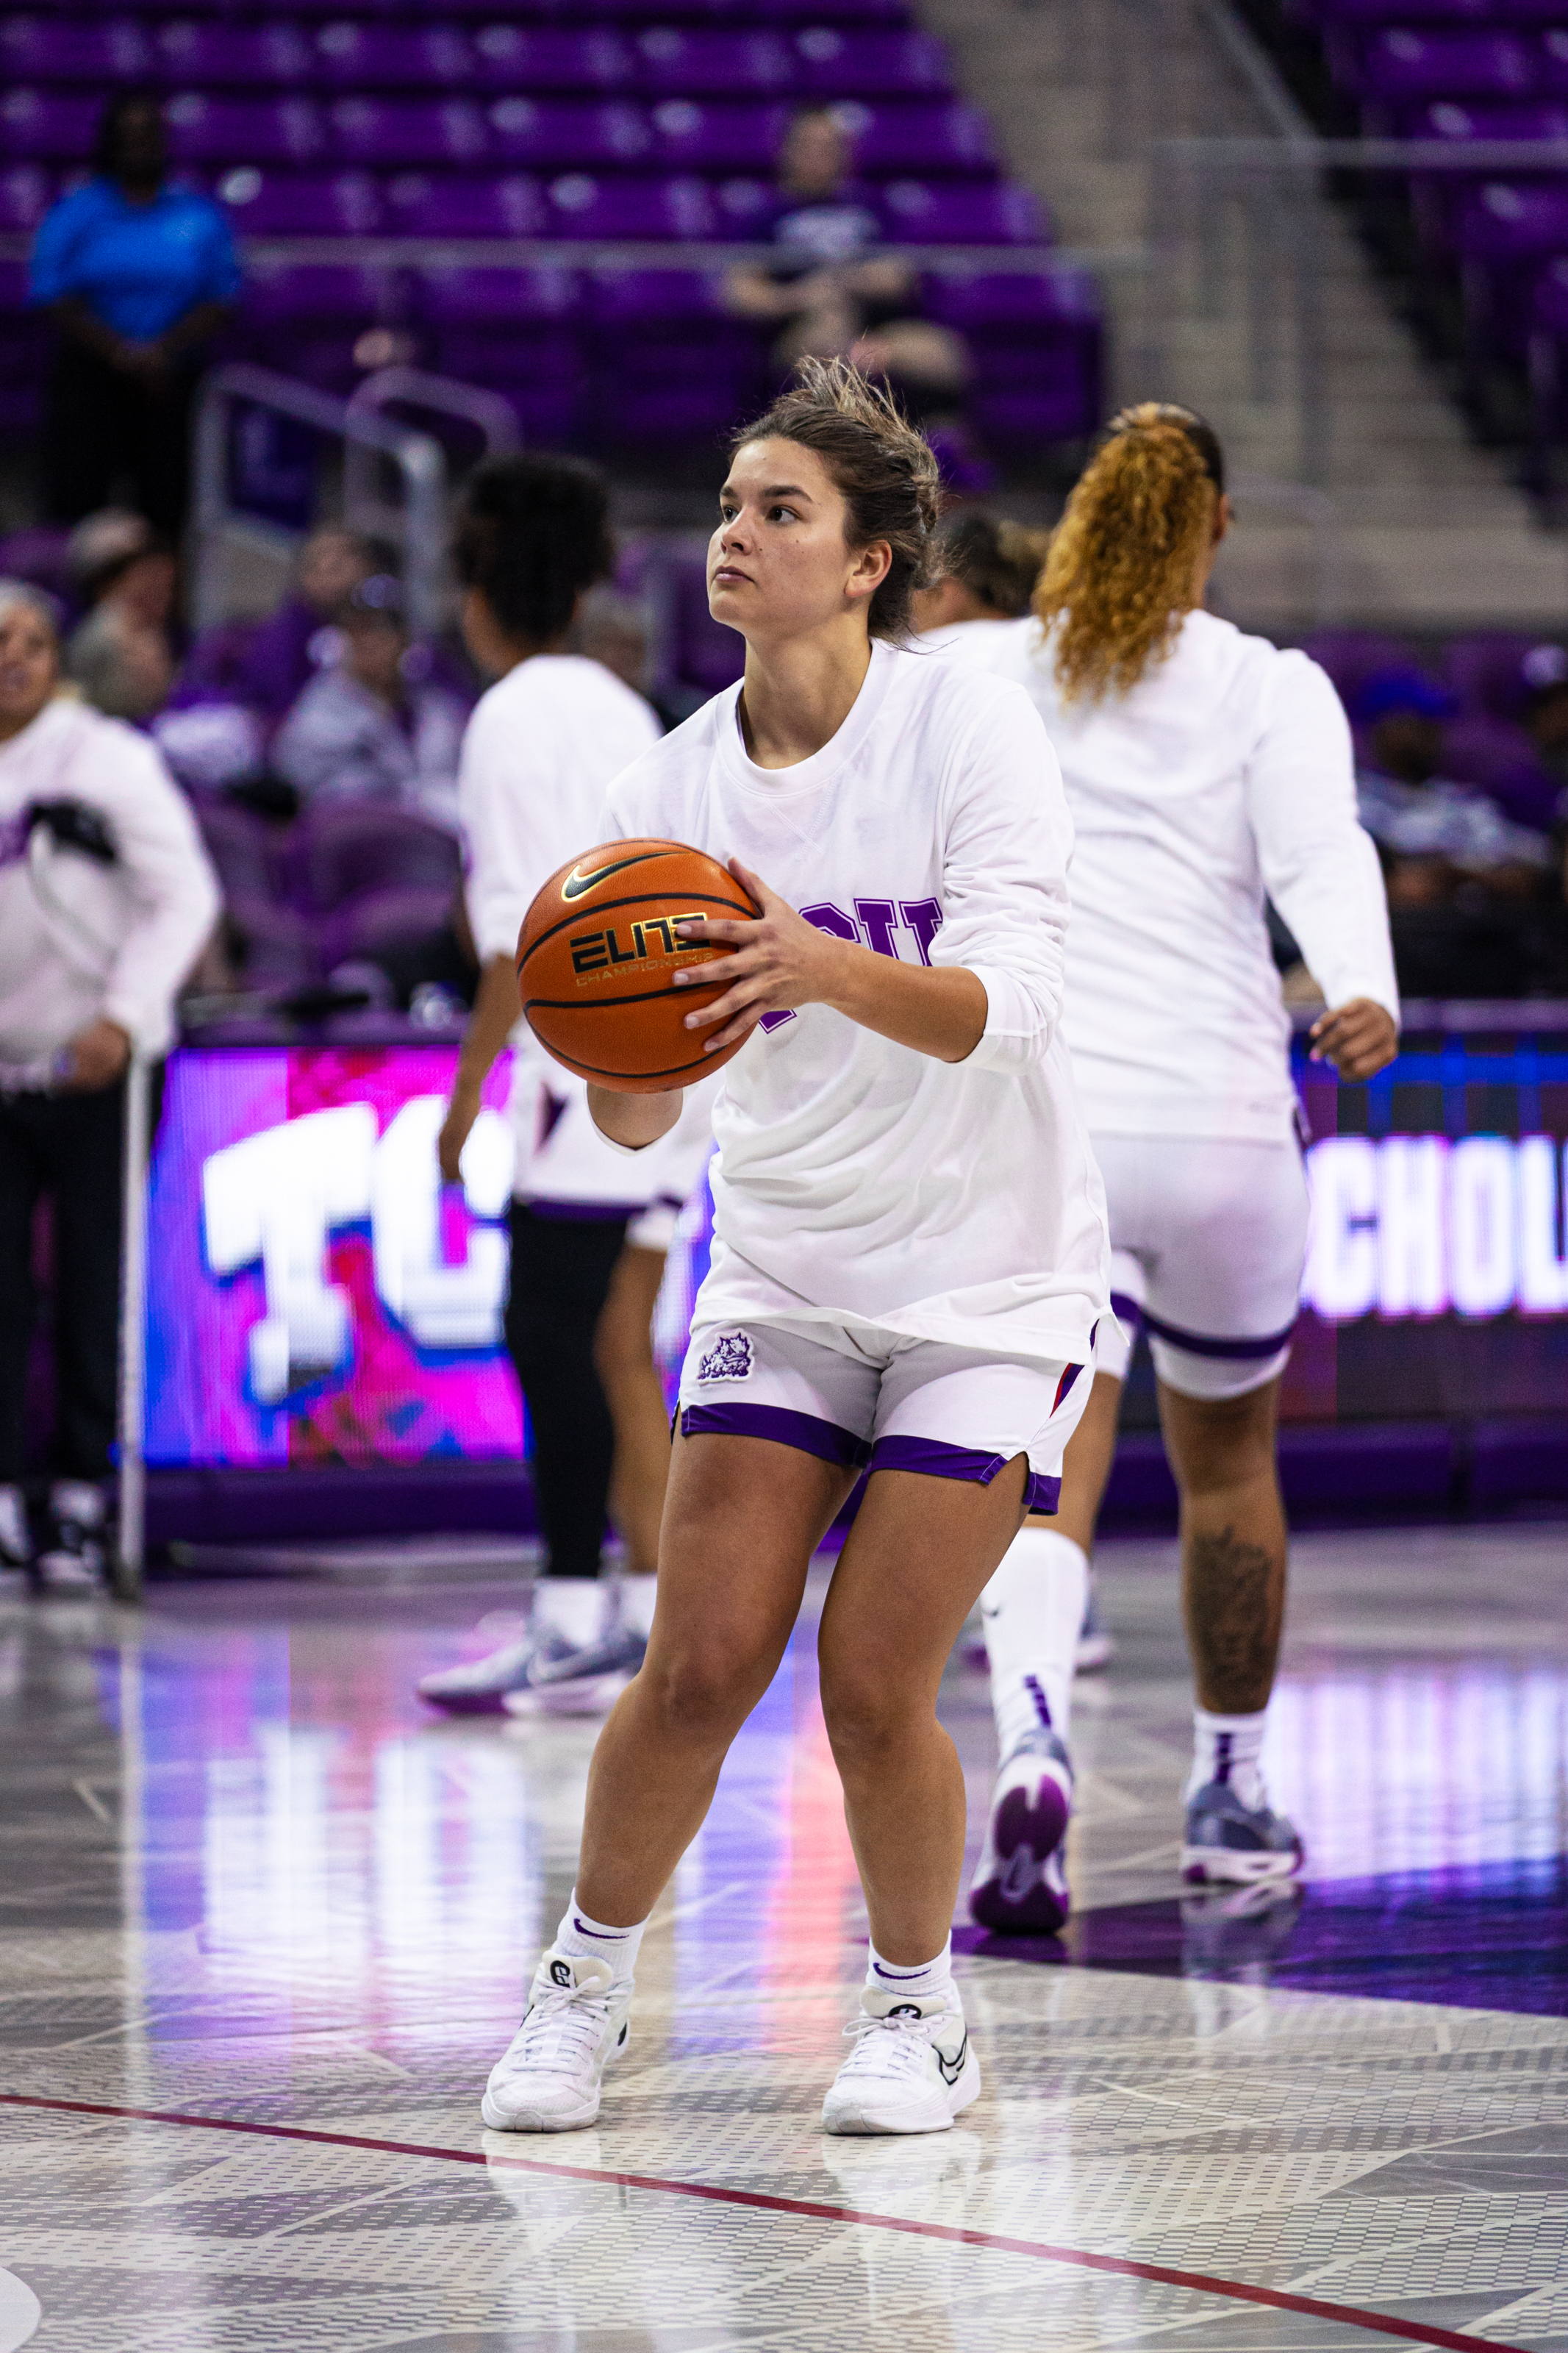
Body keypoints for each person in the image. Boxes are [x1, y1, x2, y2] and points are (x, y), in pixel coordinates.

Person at [478, 359, 1109, 2140]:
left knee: (868, 1674)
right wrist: (604, 1059)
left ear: (869, 563)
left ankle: (917, 2012)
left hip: (990, 1275)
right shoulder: (659, 791)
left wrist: (816, 960)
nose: (731, 538)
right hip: (784, 1264)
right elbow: (636, 1113)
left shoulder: (963, 730)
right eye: (727, 507)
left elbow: (1009, 1008)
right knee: (696, 1663)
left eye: (779, 512)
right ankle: (580, 1989)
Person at [962, 404, 1400, 1936]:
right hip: (1221, 1129)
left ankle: (1030, 1752)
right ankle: (1228, 1791)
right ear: (1212, 525)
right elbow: (1322, 857)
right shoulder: (1271, 685)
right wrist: (1361, 985)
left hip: (1050, 1130)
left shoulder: (984, 666)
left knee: (1038, 1480)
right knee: (1228, 1467)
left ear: (1081, 514)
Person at [418, 455, 714, 1721]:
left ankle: (565, 1618)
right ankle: (646, 1618)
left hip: (583, 1067)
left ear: (481, 587)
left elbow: (511, 945)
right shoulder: (613, 700)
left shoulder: (505, 716)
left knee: (547, 1337)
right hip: (675, 1062)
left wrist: (465, 1093)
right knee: (614, 1350)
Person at [0, 581, 220, 1585]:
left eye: (33, 640)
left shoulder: (110, 762)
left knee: (93, 1278)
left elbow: (185, 898)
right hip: (4, 1067)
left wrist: (123, 1018)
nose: (15, 656)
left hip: (100, 1064)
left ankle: (85, 1497)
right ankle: (8, 1497)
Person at [31, 93, 239, 540]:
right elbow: (52, 294)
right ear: (109, 144)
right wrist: (120, 353)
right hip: (91, 376)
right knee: (76, 503)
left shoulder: (198, 216)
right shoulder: (76, 213)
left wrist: (157, 353)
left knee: (166, 507)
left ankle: (165, 603)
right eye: (128, 137)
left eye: (149, 137)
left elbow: (221, 298)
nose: (139, 148)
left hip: (170, 377)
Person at [724, 107, 967, 418]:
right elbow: (742, 292)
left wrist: (850, 283)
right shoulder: (766, 215)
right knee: (828, 335)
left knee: (940, 352)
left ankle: (943, 447)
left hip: (877, 329)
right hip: (802, 327)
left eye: (828, 147)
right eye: (808, 146)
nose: (818, 157)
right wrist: (800, 297)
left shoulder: (873, 208)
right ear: (787, 152)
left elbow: (899, 275)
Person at [272, 575, 469, 829]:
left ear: (404, 639)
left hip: (435, 843)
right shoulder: (320, 707)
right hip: (358, 844)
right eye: (355, 630)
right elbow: (309, 786)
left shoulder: (434, 707)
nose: (366, 642)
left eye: (378, 629)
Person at [911, 511, 1049, 649]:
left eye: (918, 582)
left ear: (945, 591)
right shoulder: (1042, 644)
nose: (909, 599)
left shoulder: (930, 653)